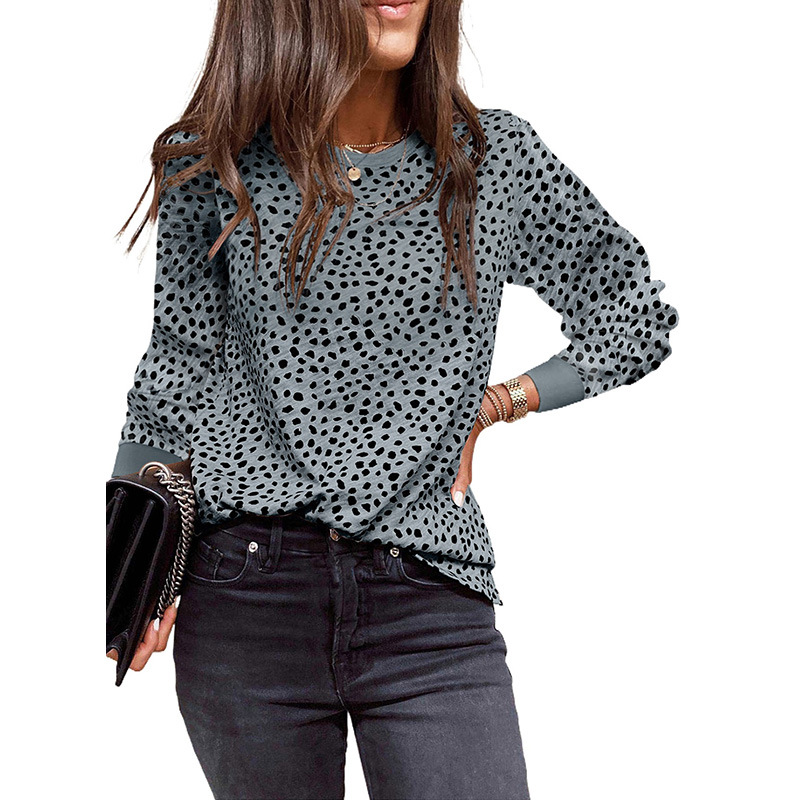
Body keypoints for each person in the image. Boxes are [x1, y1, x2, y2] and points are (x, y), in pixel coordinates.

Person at [107, 1, 680, 798]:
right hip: (246, 595)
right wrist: (126, 560)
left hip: (429, 597)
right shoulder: (214, 162)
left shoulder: (493, 161)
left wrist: (501, 401)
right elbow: (177, 367)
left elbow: (632, 312)